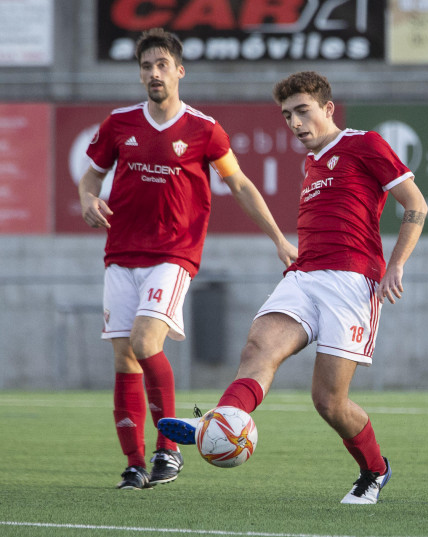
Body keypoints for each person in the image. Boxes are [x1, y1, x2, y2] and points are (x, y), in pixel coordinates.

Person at [158, 71, 428, 505]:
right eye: (287, 115)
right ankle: (222, 418)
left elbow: (416, 204)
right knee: (257, 348)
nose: (296, 122)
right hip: (304, 275)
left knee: (328, 401)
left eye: (303, 111)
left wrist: (396, 265)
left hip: (352, 281)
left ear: (327, 109)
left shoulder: (365, 144)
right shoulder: (312, 162)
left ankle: (374, 470)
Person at [79, 29, 297, 491]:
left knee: (145, 341)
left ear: (179, 70)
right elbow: (90, 178)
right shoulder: (119, 124)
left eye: (162, 65)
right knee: (124, 360)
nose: (153, 73)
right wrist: (86, 199)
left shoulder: (204, 129)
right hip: (120, 254)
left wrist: (279, 238)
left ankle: (170, 450)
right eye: (146, 66)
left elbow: (239, 184)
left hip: (173, 254)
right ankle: (136, 465)